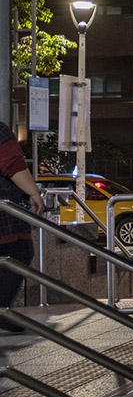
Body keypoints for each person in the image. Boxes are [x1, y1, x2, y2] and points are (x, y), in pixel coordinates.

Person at [0, 121, 46, 333]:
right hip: (5, 216)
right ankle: (2, 310)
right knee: (20, 252)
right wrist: (33, 192)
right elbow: (12, 163)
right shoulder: (0, 131)